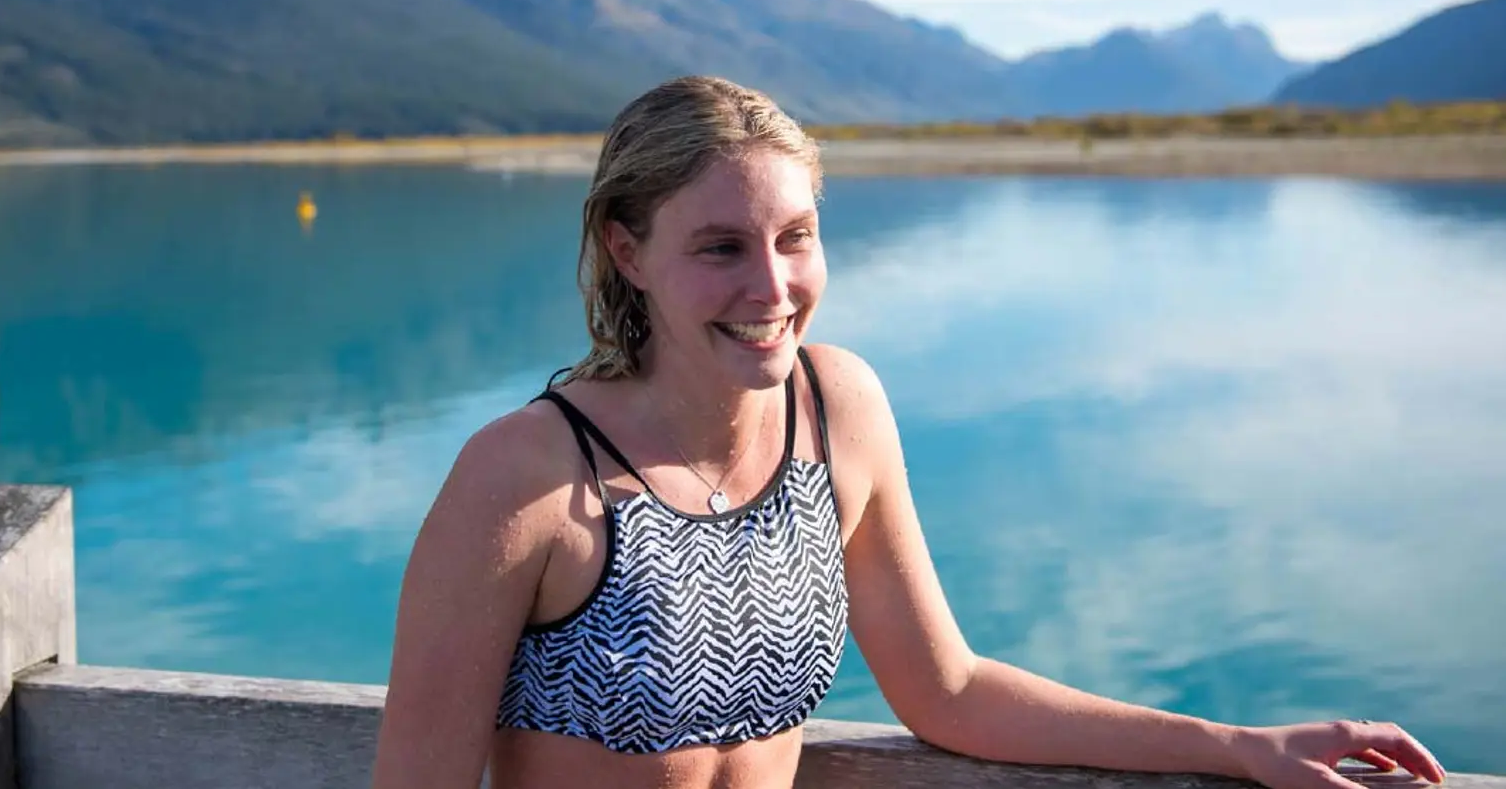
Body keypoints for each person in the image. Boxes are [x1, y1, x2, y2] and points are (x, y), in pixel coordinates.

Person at [369, 76, 1448, 789]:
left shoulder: (837, 411)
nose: (772, 285)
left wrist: (1236, 746)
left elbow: (948, 689)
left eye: (795, 236)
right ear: (626, 250)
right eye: (719, 246)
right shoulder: (523, 479)